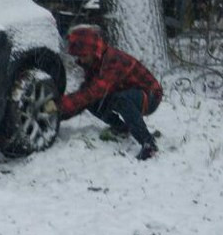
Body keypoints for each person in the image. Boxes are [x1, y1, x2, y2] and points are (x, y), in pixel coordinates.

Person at [55, 25, 163, 160]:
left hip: (150, 95)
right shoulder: (95, 61)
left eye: (83, 55)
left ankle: (149, 144)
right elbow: (85, 94)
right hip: (124, 91)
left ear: (92, 50)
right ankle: (121, 128)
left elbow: (95, 91)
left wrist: (58, 107)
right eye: (79, 56)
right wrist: (60, 114)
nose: (80, 60)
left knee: (120, 99)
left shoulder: (113, 61)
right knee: (92, 102)